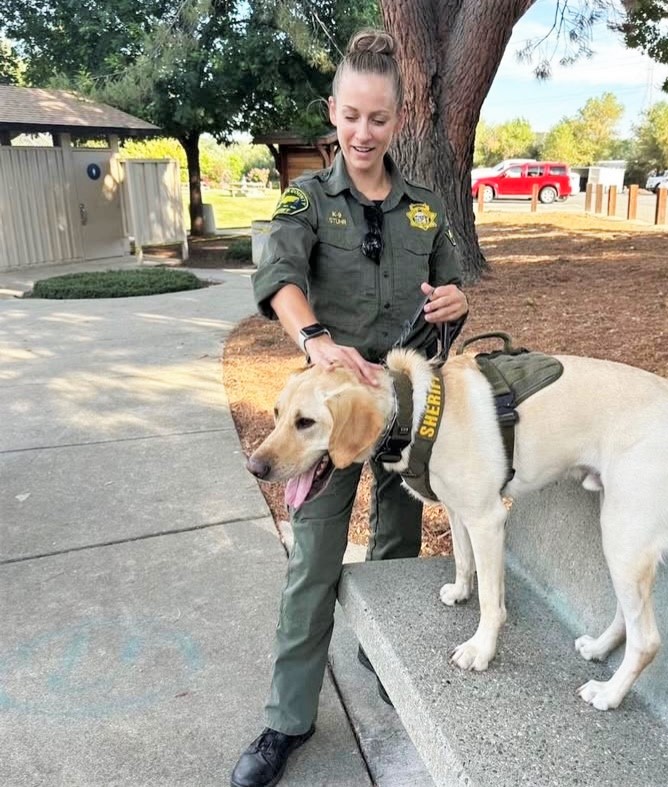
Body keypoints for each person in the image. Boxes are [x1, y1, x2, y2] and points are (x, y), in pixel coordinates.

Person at [230, 28, 469, 787]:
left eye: (379, 118)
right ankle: (286, 720)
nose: (363, 133)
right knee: (314, 567)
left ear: (398, 121)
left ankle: (387, 668)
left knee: (397, 556)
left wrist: (453, 303)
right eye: (351, 116)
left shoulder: (427, 208)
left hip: (401, 420)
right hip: (327, 421)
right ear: (331, 113)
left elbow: (450, 298)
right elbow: (278, 274)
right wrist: (317, 338)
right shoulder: (305, 199)